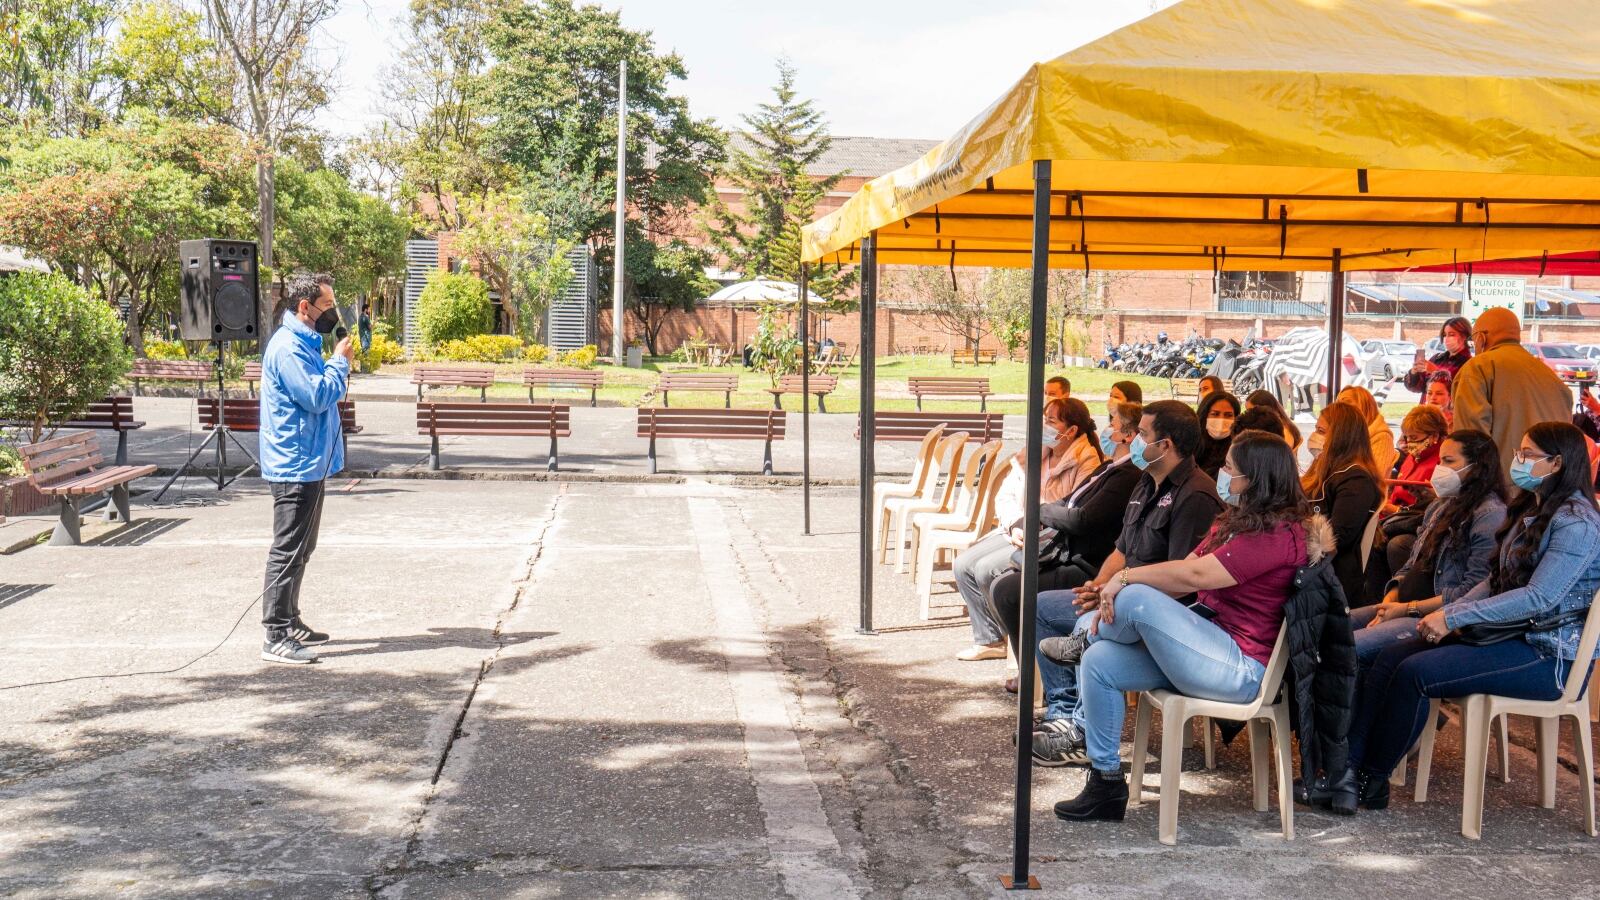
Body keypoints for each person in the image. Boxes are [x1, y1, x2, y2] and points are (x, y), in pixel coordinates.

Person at [1045, 432, 1325, 820]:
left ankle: (1083, 639)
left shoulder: (1277, 535)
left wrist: (1124, 578)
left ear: (1255, 478)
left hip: (1241, 669)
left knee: (1136, 597)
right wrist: (1123, 583)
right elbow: (1186, 569)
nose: (1222, 472)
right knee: (1101, 662)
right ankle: (1105, 782)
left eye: (1229, 467)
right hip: (1208, 647)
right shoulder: (1237, 522)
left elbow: (1195, 575)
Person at [1345, 421, 1600, 810]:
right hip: (1507, 635)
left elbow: (1539, 597)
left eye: (1528, 455)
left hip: (1548, 656)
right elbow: (1495, 579)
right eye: (1518, 452)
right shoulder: (1532, 507)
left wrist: (1453, 618)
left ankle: (1370, 779)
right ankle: (1345, 771)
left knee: (1414, 672)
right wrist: (1452, 612)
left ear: (1558, 462)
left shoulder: (1577, 522)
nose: (1519, 460)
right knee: (1389, 657)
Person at [1021, 401, 1223, 765]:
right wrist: (1098, 586)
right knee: (1042, 607)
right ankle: (1062, 712)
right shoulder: (1146, 480)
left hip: (1158, 614)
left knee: (1088, 627)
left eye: (1142, 434)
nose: (1133, 440)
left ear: (1165, 445)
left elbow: (1182, 579)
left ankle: (1082, 733)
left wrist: (1117, 592)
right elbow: (1122, 549)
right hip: (1119, 593)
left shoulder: (1196, 495)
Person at [988, 401, 1144, 696]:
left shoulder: (1129, 474)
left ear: (1128, 435)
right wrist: (1030, 517)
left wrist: (1040, 511)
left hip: (1088, 563)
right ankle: (1033, 671)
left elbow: (1082, 518)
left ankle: (1044, 680)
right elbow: (1070, 501)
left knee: (1008, 590)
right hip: (1069, 550)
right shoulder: (1110, 467)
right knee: (1002, 580)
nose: (1106, 429)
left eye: (1112, 423)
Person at [953, 398, 1102, 661]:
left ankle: (1016, 648)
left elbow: (1070, 511)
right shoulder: (1033, 454)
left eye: (1051, 421)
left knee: (987, 570)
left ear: (1071, 431)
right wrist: (1015, 524)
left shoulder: (1087, 462)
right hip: (1018, 527)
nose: (1044, 426)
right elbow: (1005, 496)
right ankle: (989, 638)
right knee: (963, 564)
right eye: (1044, 419)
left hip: (1047, 537)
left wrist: (1034, 523)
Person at [258, 273, 352, 665]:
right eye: (327, 306)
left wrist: (335, 363)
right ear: (304, 307)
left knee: (302, 548)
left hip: (310, 461)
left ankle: (291, 620)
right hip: (294, 464)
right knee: (287, 549)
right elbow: (316, 396)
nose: (333, 313)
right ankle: (276, 634)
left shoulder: (305, 343)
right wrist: (339, 363)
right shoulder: (288, 349)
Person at [1352, 430, 1507, 666]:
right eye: (1440, 460)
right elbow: (1412, 563)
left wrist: (1406, 609)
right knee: (1328, 628)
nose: (1439, 468)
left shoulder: (1490, 514)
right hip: (1405, 604)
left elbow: (1471, 591)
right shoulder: (1440, 506)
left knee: (1349, 648)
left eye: (1448, 461)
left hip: (1437, 617)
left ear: (1476, 467)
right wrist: (1392, 598)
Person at [1453, 307, 1574, 477]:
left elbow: (1470, 439)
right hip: (1550, 483)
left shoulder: (1478, 368)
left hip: (1501, 483)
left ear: (1481, 338)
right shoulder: (1551, 376)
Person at [1303, 403, 1384, 609]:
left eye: (1321, 431)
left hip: (1331, 574)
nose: (1314, 436)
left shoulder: (1356, 479)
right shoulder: (1325, 469)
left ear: (1340, 436)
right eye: (1316, 429)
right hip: (1312, 562)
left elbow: (1337, 536)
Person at [1336, 385, 1398, 474]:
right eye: (1338, 405)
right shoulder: (1344, 433)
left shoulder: (1382, 438)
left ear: (1365, 407)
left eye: (1347, 405)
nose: (1339, 410)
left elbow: (1372, 477)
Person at [1403, 316, 1473, 394]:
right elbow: (1416, 388)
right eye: (1444, 335)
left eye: (1451, 335)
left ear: (1465, 336)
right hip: (1427, 402)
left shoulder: (1469, 364)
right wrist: (1414, 372)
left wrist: (1436, 372)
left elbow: (1462, 392)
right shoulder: (1437, 359)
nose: (1446, 338)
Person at [1195, 391, 1241, 479]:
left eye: (1228, 415)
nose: (1221, 420)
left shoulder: (1238, 450)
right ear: (1204, 415)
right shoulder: (1191, 444)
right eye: (1215, 414)